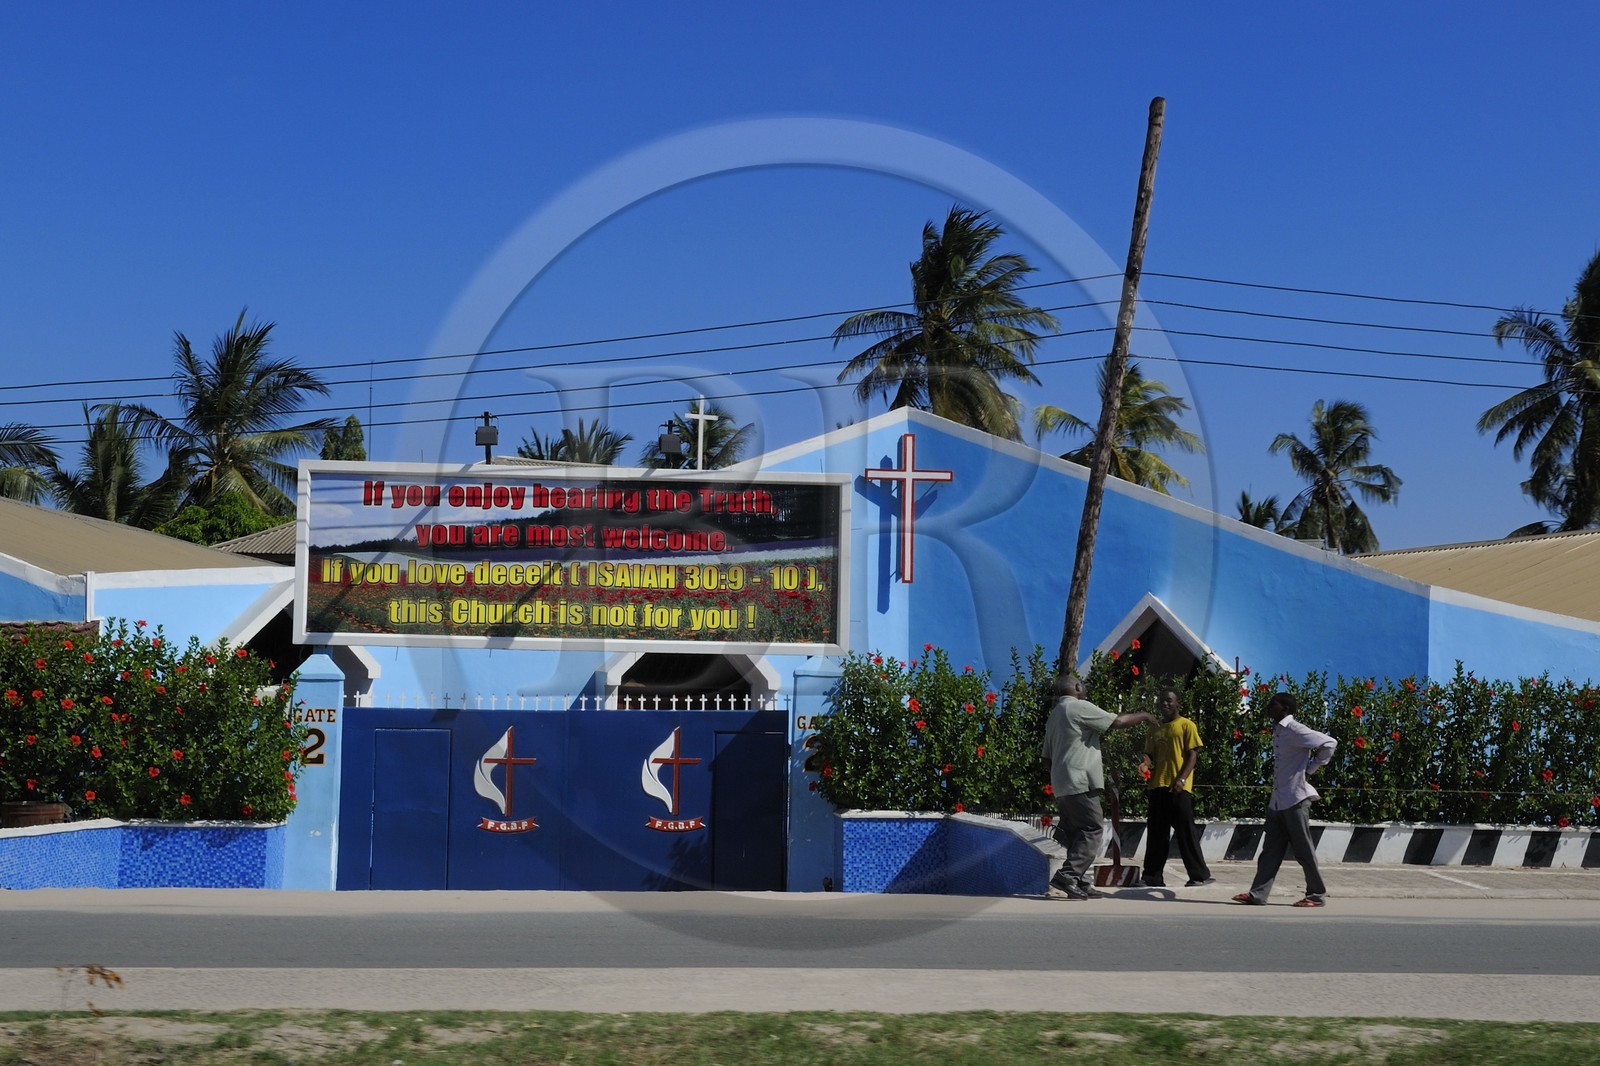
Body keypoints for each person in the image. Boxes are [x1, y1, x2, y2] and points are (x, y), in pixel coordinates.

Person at [1042, 673, 1159, 900]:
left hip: (1062, 784)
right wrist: (1144, 715)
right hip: (1080, 781)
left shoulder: (1054, 715)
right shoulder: (1078, 707)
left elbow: (1046, 758)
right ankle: (1067, 876)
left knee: (1077, 834)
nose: (1084, 688)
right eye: (1082, 684)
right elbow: (1116, 722)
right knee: (1092, 829)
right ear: (1076, 687)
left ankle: (1081, 882)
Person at [1233, 691, 1339, 907]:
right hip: (1278, 801)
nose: (1269, 706)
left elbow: (1330, 743)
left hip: (1295, 800)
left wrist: (1311, 768)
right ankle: (1258, 894)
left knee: (1304, 851)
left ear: (1285, 709)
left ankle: (1316, 895)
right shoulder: (1279, 730)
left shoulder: (1295, 730)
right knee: (1270, 851)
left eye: (1274, 704)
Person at [1136, 688, 1214, 888]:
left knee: (1185, 832)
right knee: (1156, 834)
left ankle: (1199, 876)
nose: (1165, 704)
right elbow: (1150, 755)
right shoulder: (1155, 729)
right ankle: (1152, 876)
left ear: (1178, 703)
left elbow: (1192, 755)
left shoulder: (1187, 725)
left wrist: (1182, 779)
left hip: (1178, 788)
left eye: (1169, 701)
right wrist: (1145, 763)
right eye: (1162, 700)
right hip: (1157, 786)